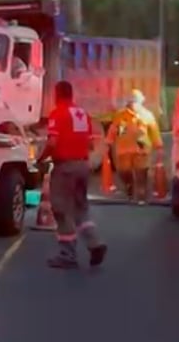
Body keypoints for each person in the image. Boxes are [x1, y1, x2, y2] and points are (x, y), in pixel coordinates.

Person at [36, 80, 108, 269]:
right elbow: (91, 144)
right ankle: (95, 243)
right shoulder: (82, 114)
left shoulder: (58, 113)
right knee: (81, 208)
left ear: (57, 94)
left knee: (61, 210)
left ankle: (67, 255)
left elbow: (52, 143)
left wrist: (40, 158)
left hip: (65, 167)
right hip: (83, 165)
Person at [106, 89, 164, 205]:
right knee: (124, 172)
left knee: (142, 173)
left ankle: (141, 196)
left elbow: (154, 132)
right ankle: (130, 188)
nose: (132, 104)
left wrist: (159, 147)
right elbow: (113, 130)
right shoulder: (120, 116)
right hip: (123, 151)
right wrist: (108, 142)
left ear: (140, 102)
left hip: (141, 151)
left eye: (135, 102)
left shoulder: (147, 115)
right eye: (130, 102)